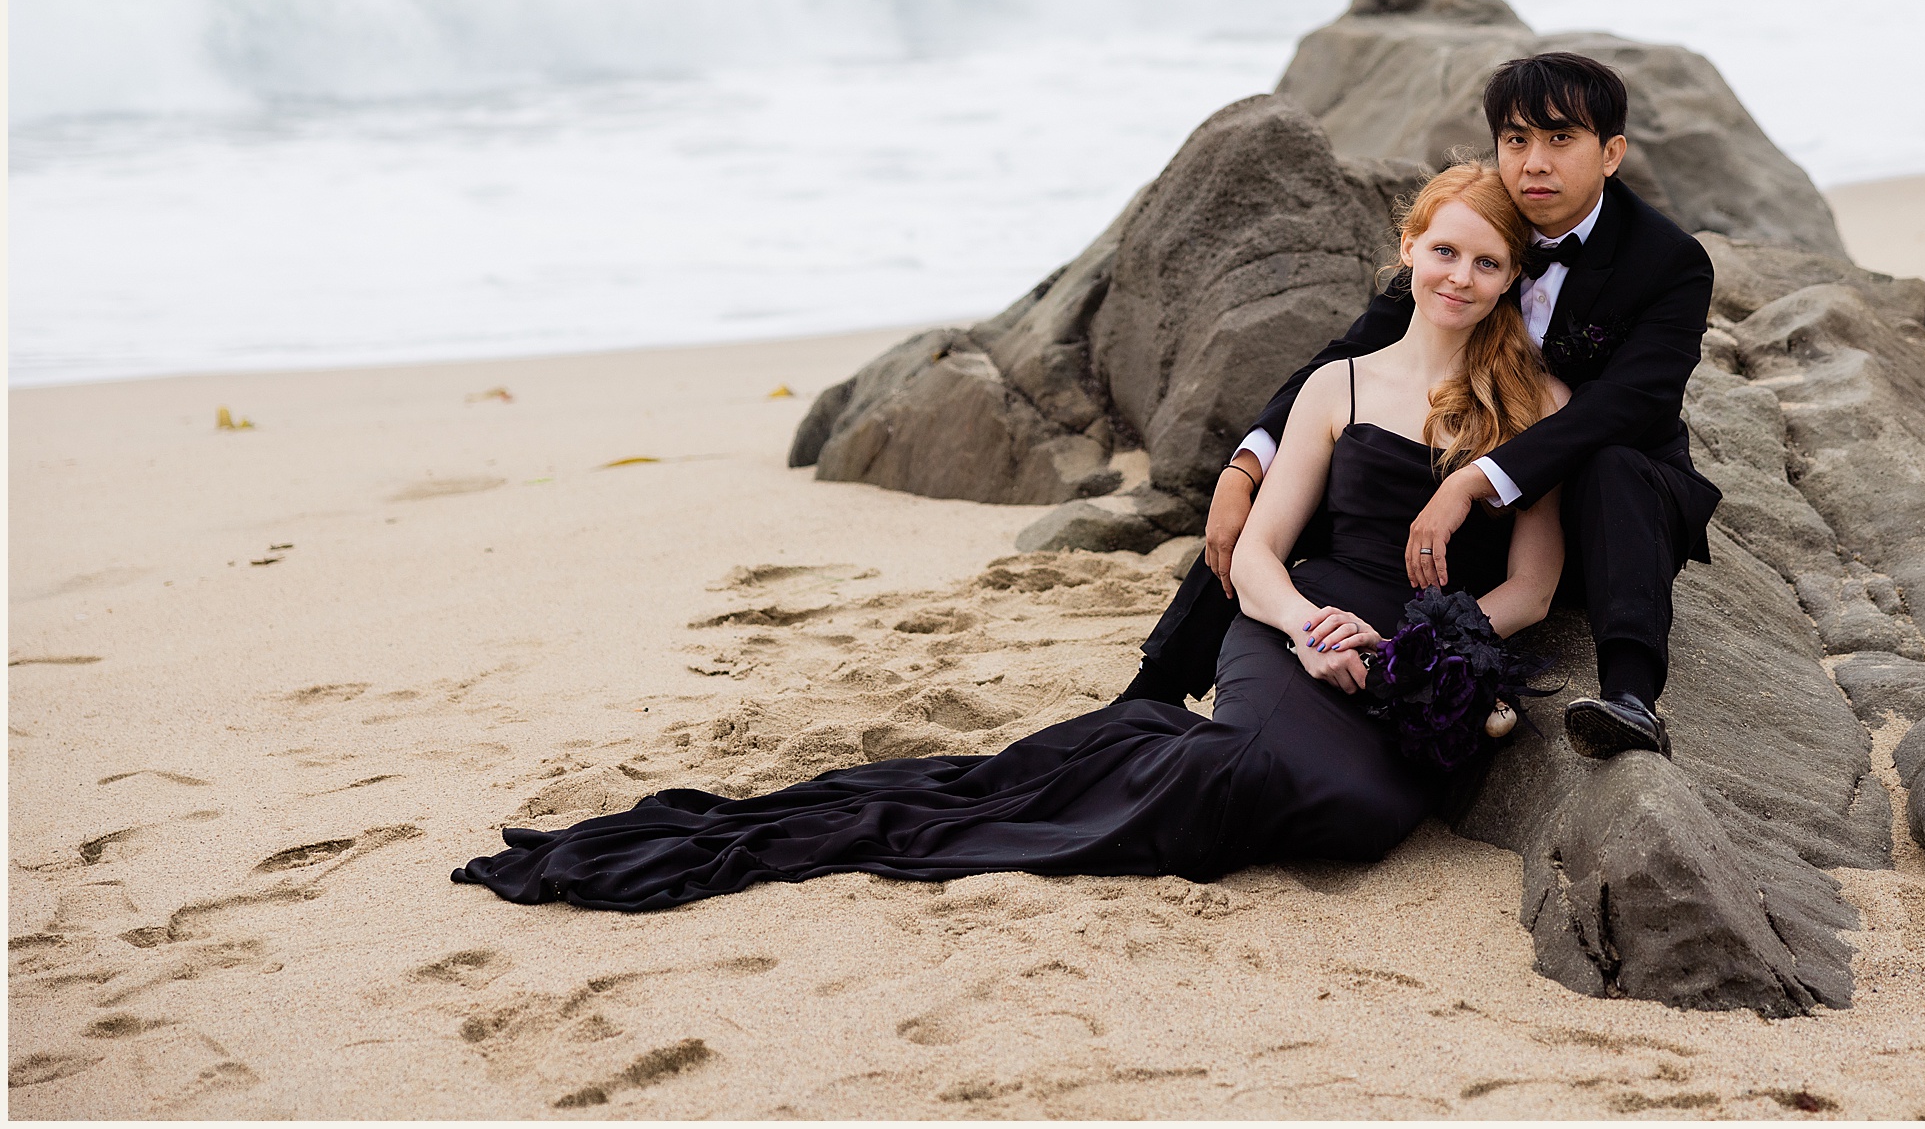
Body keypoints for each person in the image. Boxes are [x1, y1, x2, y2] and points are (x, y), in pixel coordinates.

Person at [450, 165, 1565, 911]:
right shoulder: (1339, 382)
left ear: (1514, 280)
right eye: (1445, 252)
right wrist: (1307, 628)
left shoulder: (1540, 405)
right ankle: (1093, 765)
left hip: (1419, 661)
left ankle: (1130, 746)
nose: (1460, 278)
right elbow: (1259, 553)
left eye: (1487, 263)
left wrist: (1431, 641)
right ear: (1408, 248)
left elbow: (1533, 581)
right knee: (1265, 769)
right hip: (1297, 628)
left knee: (1360, 817)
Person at [1118, 52, 1720, 760]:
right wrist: (1245, 465)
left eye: (1562, 139)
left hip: (1598, 499)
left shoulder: (1669, 262)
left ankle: (1629, 696)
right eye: (1517, 139)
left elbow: (1627, 405)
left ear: (1611, 152)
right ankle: (1155, 686)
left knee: (1615, 462)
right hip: (1470, 508)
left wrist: (1478, 478)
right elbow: (1349, 355)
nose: (1534, 162)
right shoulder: (1478, 227)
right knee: (1339, 460)